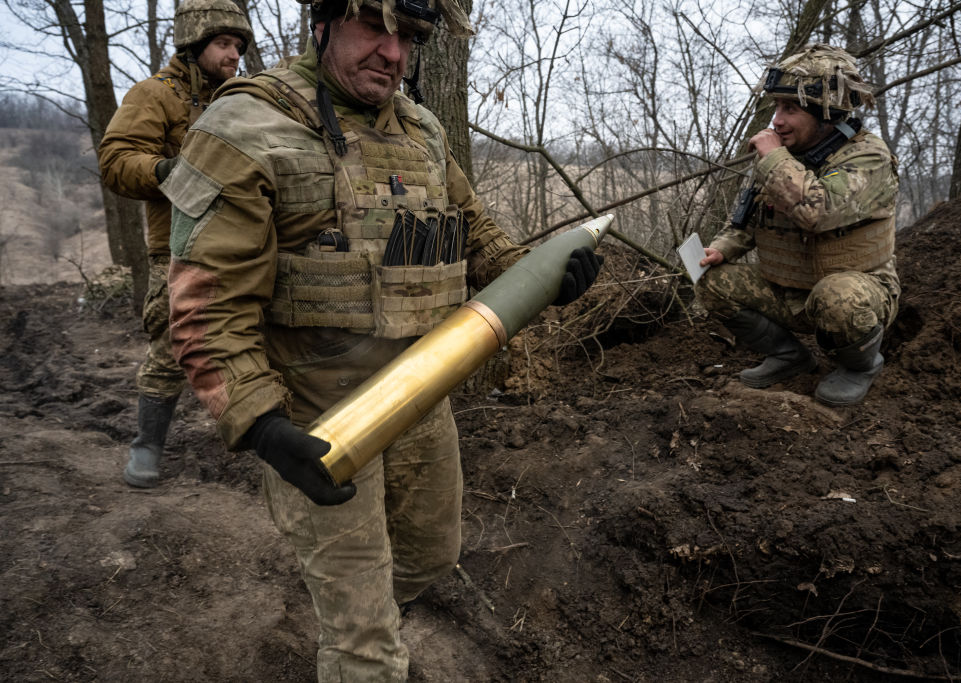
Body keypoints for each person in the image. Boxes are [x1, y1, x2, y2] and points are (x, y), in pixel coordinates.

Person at [160, 0, 602, 679]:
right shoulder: (244, 128)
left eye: (409, 38)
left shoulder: (422, 128)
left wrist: (539, 277)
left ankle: (366, 612)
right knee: (364, 647)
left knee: (430, 556)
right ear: (323, 23)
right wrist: (263, 425)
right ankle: (358, 634)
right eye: (374, 28)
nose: (394, 54)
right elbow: (204, 306)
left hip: (420, 393)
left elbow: (473, 230)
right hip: (316, 415)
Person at [97, 0, 254, 487]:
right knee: (170, 347)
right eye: (223, 44)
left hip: (242, 245)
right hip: (178, 248)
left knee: (253, 337)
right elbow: (116, 160)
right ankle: (147, 446)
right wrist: (167, 170)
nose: (234, 55)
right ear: (194, 45)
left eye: (238, 45)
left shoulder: (243, 99)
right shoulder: (155, 95)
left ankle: (259, 435)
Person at [696, 44, 899, 407]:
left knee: (837, 297)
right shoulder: (785, 157)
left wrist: (774, 158)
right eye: (776, 107)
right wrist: (722, 248)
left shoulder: (869, 156)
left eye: (790, 109)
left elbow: (818, 212)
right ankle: (789, 356)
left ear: (825, 113)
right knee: (710, 280)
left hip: (855, 292)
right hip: (788, 290)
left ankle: (861, 365)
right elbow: (746, 221)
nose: (777, 121)